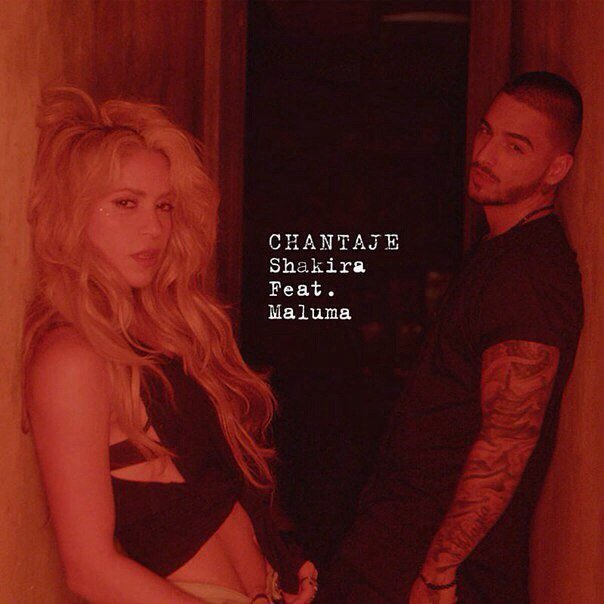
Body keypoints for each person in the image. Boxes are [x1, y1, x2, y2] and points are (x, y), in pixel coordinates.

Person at [21, 87, 318, 604]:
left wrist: (279, 558)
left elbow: (215, 481)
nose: (155, 227)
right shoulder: (70, 359)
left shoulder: (156, 326)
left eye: (164, 206)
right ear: (72, 211)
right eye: (125, 203)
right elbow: (89, 570)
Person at [322, 72, 584, 603]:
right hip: (396, 545)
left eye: (515, 146)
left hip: (435, 572)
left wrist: (439, 573)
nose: (485, 154)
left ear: (556, 169)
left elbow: (508, 441)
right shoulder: (500, 249)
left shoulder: (531, 276)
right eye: (486, 132)